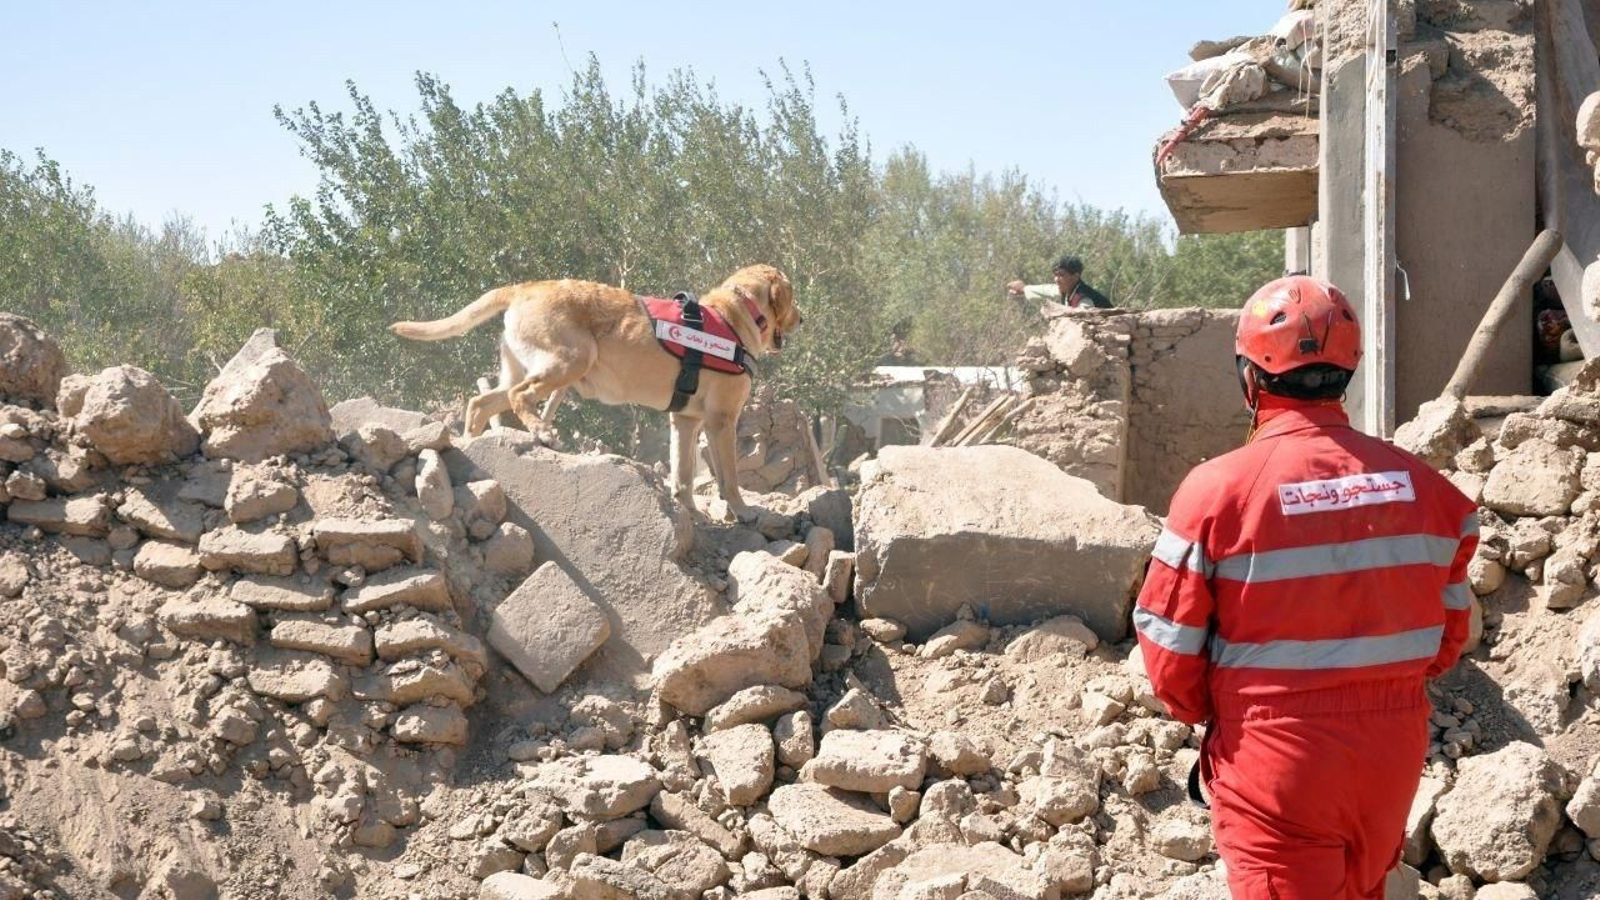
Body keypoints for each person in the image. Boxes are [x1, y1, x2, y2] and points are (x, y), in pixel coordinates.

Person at [1133, 276, 1477, 899]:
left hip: (1276, 757)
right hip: (1391, 751)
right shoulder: (1429, 490)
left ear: (1250, 379)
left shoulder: (1216, 492)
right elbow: (1448, 638)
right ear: (1347, 372)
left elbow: (1168, 652)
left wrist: (1218, 716)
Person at [1005, 255, 1113, 310]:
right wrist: (1024, 289)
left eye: (1061, 275)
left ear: (1075, 276)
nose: (1056, 279)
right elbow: (1048, 290)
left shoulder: (1083, 298)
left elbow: (1084, 317)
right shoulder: (1069, 289)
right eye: (1055, 275)